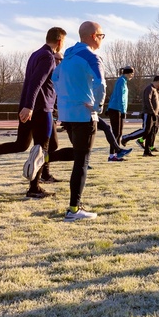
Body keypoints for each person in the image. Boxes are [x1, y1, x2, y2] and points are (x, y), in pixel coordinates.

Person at [0, 27, 72, 199]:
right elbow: (35, 82)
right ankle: (34, 188)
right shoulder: (48, 57)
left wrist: (27, 106)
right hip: (40, 110)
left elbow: (42, 85)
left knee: (22, 145)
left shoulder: (36, 54)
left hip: (33, 107)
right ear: (59, 41)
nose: (63, 45)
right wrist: (29, 106)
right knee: (42, 148)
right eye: (63, 42)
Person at [52, 21, 106, 221]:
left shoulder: (68, 57)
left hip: (67, 114)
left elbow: (54, 77)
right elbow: (101, 83)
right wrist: (97, 106)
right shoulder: (92, 57)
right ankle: (74, 209)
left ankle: (46, 158)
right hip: (84, 114)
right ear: (93, 36)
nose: (102, 39)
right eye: (101, 35)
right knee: (82, 161)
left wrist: (65, 100)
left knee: (78, 154)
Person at [121, 75, 159, 156]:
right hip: (148, 113)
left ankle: (147, 151)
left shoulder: (155, 89)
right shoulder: (149, 88)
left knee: (151, 133)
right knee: (145, 130)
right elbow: (147, 100)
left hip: (154, 114)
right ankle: (126, 137)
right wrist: (152, 112)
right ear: (158, 81)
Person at [106, 66, 135, 161]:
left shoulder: (123, 81)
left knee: (119, 133)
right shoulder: (121, 81)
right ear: (128, 73)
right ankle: (112, 155)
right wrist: (123, 111)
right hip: (116, 109)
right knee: (116, 133)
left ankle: (116, 154)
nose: (132, 75)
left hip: (116, 108)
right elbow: (120, 97)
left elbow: (114, 95)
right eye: (132, 73)